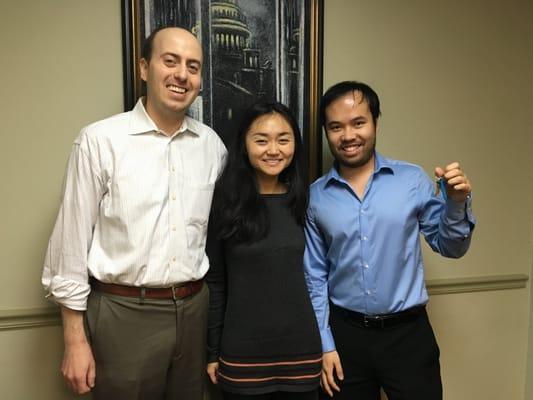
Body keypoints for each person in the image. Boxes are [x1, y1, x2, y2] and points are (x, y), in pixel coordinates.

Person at [41, 27, 226, 400]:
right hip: (123, 313)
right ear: (144, 68)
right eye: (169, 61)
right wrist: (75, 341)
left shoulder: (212, 147)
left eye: (193, 66)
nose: (181, 75)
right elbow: (70, 245)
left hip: (194, 311)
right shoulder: (100, 141)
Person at [303, 81, 475, 400]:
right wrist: (325, 345)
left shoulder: (411, 180)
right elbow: (315, 278)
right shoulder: (316, 196)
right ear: (327, 132)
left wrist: (456, 202)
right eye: (336, 126)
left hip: (408, 336)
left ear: (375, 123)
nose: (349, 135)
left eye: (358, 122)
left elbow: (451, 247)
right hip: (345, 338)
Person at [205, 102, 322, 400]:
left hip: (302, 352)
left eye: (283, 139)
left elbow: (319, 279)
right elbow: (216, 283)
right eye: (261, 140)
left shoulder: (306, 202)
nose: (273, 149)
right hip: (242, 354)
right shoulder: (225, 205)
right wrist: (212, 351)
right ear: (244, 145)